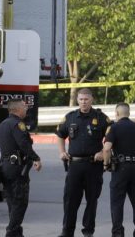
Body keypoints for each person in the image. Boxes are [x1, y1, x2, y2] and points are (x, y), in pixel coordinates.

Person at [56, 88, 111, 237]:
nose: (83, 102)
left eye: (86, 99)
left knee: (92, 200)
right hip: (74, 165)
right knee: (70, 200)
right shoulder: (70, 117)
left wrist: (103, 152)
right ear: (77, 100)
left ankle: (88, 231)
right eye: (81, 99)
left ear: (92, 99)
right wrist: (62, 151)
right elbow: (60, 135)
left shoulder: (101, 118)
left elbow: (112, 138)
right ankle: (67, 231)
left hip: (94, 165)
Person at [0, 98, 42, 237]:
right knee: (20, 202)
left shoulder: (2, 124)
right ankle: (11, 232)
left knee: (12, 201)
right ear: (16, 109)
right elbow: (23, 144)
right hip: (17, 168)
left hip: (6, 167)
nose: (26, 108)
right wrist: (36, 158)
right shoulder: (17, 124)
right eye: (24, 106)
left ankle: (16, 234)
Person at [103, 103, 135, 237]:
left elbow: (106, 148)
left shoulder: (114, 128)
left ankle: (118, 233)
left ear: (116, 113)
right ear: (128, 113)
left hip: (120, 169)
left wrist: (106, 164)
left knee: (117, 203)